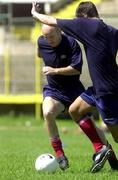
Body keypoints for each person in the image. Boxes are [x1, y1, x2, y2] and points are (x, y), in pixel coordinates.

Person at [31, 0, 118, 171]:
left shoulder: (86, 27)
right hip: (100, 87)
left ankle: (107, 151)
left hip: (107, 91)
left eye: (79, 21)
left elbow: (52, 20)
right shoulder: (112, 31)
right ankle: (101, 149)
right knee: (75, 110)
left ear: (83, 18)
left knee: (116, 137)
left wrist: (34, 14)